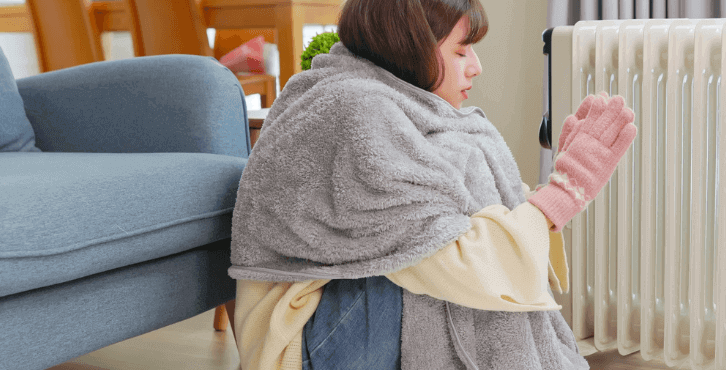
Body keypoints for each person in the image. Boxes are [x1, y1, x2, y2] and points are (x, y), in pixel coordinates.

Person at [227, 0, 637, 369]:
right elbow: (447, 259)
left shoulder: (392, 103)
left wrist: (539, 197)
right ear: (408, 47)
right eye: (460, 51)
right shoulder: (356, 110)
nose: (476, 66)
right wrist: (562, 195)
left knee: (440, 241)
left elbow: (443, 221)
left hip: (340, 319)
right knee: (431, 260)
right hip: (301, 345)